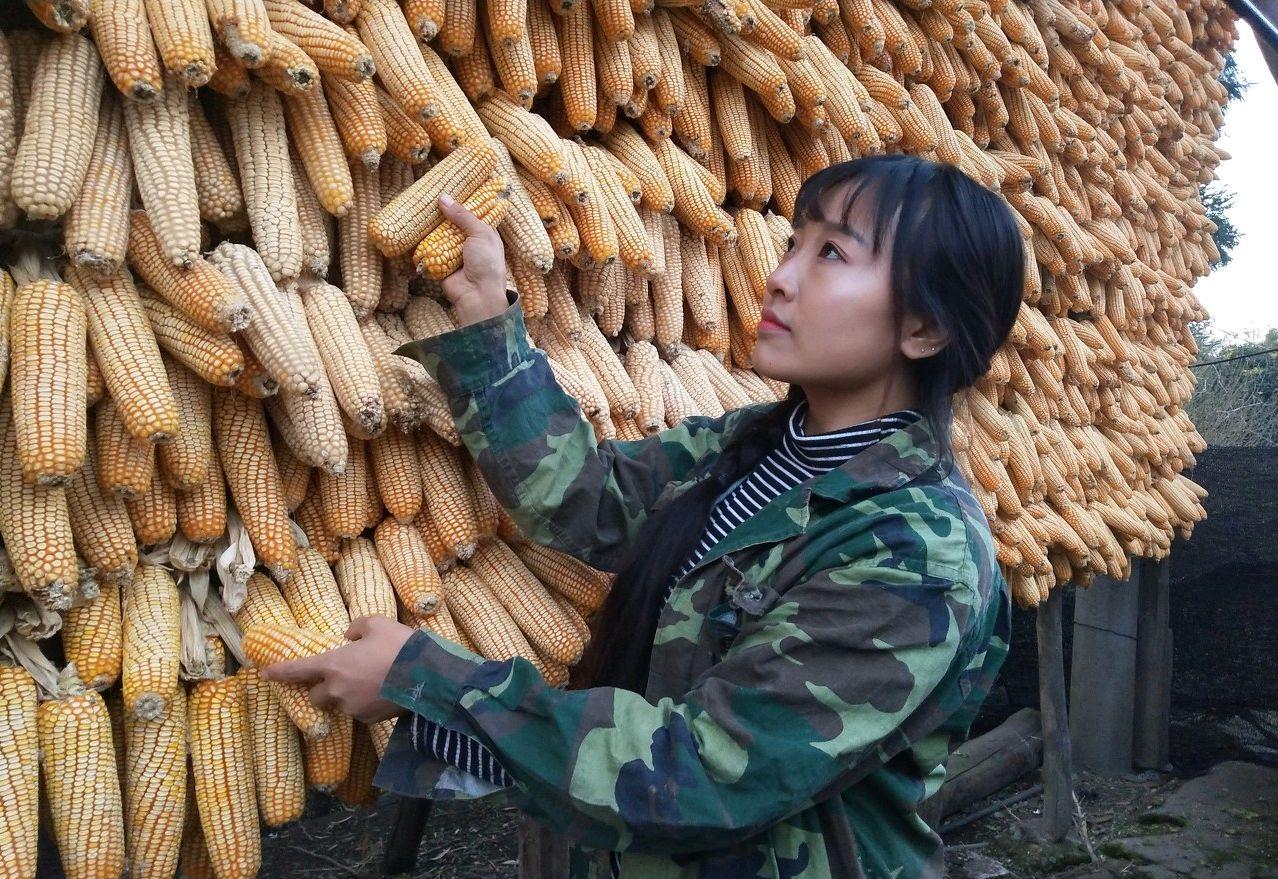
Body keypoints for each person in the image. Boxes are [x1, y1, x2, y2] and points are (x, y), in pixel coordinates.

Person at [262, 154, 1024, 878]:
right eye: (794, 243)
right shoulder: (751, 446)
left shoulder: (917, 551)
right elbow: (584, 499)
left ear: (925, 329)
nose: (780, 277)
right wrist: (490, 330)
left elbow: (702, 776)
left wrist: (426, 682)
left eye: (831, 256)